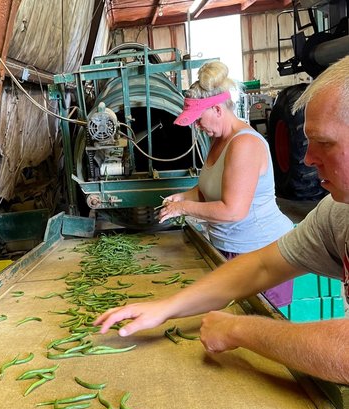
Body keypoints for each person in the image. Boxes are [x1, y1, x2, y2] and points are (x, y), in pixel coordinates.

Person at [95, 55, 349, 385]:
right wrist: (165, 307)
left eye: (325, 143)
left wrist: (238, 328)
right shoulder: (335, 213)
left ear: (217, 108)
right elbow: (263, 266)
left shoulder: (245, 144)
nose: (307, 158)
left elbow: (343, 353)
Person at [159, 61, 294, 308]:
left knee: (260, 326)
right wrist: (184, 197)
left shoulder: (244, 145)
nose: (197, 126)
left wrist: (183, 210)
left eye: (199, 119)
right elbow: (208, 189)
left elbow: (233, 210)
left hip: (260, 253)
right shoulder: (218, 139)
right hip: (231, 248)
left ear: (218, 110)